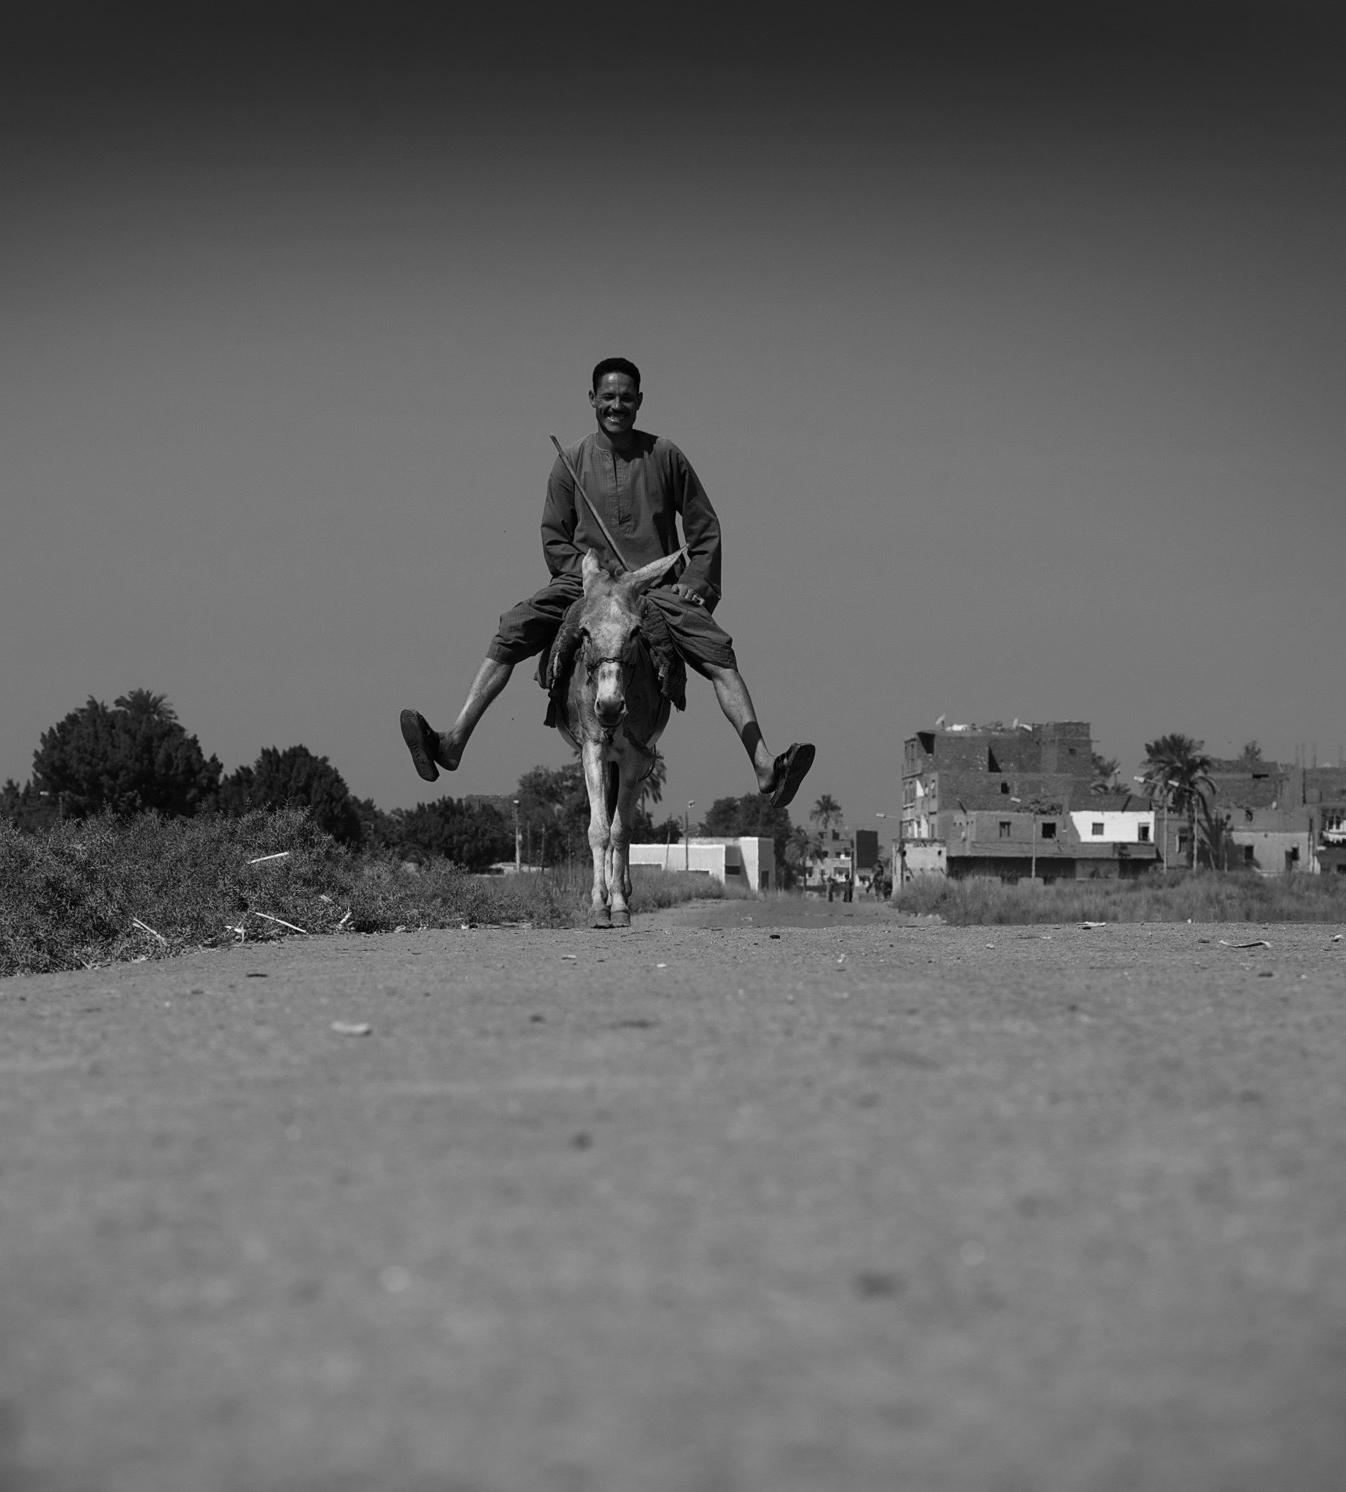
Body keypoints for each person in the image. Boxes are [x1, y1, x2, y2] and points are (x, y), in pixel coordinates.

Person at [401, 356, 814, 810]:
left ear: (640, 401)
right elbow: (554, 537)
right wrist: (590, 574)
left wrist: (696, 580)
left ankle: (763, 764)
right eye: (608, 397)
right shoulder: (569, 462)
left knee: (719, 653)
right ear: (592, 399)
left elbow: (705, 528)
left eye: (626, 398)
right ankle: (453, 741)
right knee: (512, 628)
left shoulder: (666, 455)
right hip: (585, 586)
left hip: (652, 588)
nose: (617, 405)